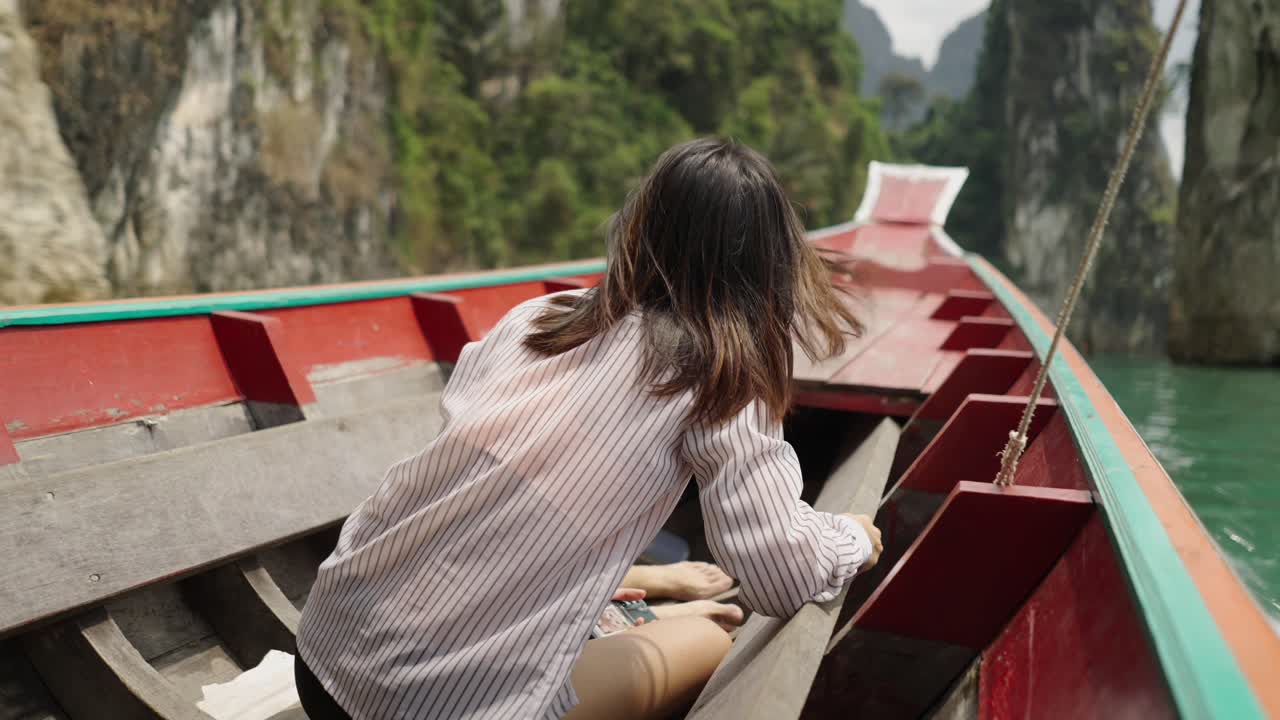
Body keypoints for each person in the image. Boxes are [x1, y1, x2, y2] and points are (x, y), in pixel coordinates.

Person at [293, 137, 885, 720]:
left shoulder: (541, 317)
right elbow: (777, 574)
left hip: (322, 648)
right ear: (771, 268)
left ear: (641, 227)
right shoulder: (721, 386)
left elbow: (477, 481)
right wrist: (853, 537)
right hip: (423, 708)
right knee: (710, 640)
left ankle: (621, 605)